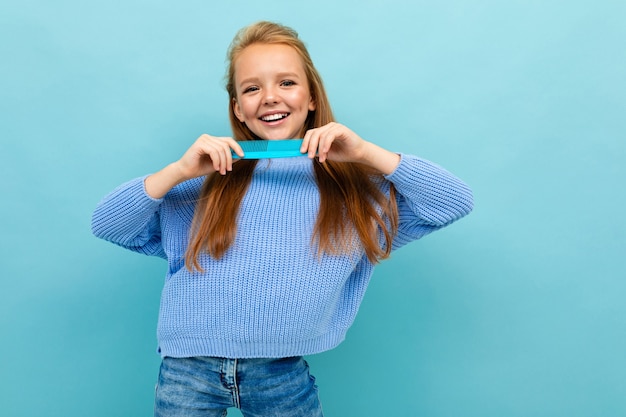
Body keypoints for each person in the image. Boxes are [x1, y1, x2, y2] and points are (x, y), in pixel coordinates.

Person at [91, 21, 473, 417]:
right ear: (238, 107)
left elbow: (453, 201)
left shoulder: (356, 194)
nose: (269, 98)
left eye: (287, 83)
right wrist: (178, 170)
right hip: (187, 372)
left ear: (311, 97)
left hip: (281, 374)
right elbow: (107, 223)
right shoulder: (207, 184)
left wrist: (365, 153)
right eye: (252, 88)